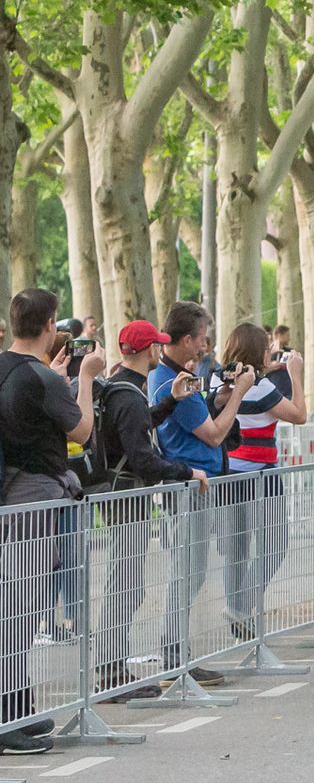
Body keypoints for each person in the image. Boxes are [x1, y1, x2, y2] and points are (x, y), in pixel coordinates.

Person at [0, 289, 104, 752]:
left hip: (9, 493)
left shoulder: (11, 369)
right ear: (49, 326)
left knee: (17, 603)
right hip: (34, 496)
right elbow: (82, 430)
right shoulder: (43, 378)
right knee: (21, 607)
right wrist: (86, 378)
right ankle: (7, 718)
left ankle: (18, 706)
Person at [90, 319, 204, 701]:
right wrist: (187, 471)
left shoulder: (119, 387)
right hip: (128, 500)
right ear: (148, 350)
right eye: (157, 345)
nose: (161, 350)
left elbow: (136, 430)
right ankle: (110, 672)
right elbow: (143, 459)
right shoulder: (129, 396)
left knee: (127, 583)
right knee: (125, 585)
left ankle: (112, 668)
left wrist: (170, 401)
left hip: (120, 497)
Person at [150, 302, 254, 689]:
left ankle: (177, 655)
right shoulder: (173, 382)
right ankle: (174, 658)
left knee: (189, 573)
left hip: (195, 482)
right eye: (202, 339)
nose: (205, 347)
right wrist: (239, 394)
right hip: (190, 485)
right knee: (187, 574)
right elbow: (212, 434)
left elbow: (202, 420)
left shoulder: (174, 377)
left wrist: (218, 401)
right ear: (186, 339)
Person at [218, 322, 307, 640]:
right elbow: (299, 415)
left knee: (236, 547)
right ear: (259, 353)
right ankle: (243, 607)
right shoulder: (263, 389)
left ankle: (235, 613)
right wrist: (295, 374)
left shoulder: (218, 381)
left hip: (228, 473)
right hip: (261, 474)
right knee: (275, 544)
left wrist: (266, 369)